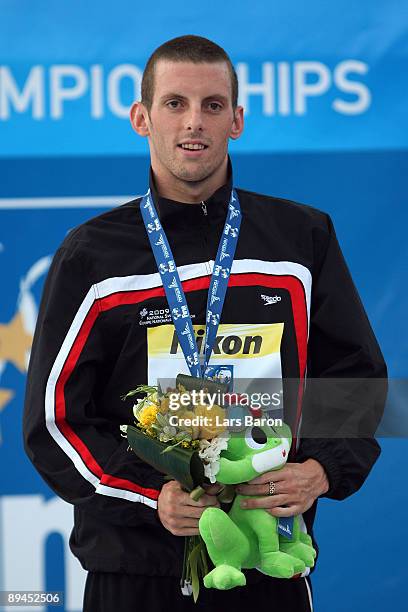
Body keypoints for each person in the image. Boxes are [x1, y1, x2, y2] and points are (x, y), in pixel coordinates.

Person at [23, 35, 387, 611]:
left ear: (237, 120)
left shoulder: (301, 238)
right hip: (135, 570)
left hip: (266, 558)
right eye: (175, 104)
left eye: (213, 106)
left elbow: (356, 378)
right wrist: (151, 496)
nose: (194, 123)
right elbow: (56, 420)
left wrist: (322, 468)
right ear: (141, 117)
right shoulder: (93, 255)